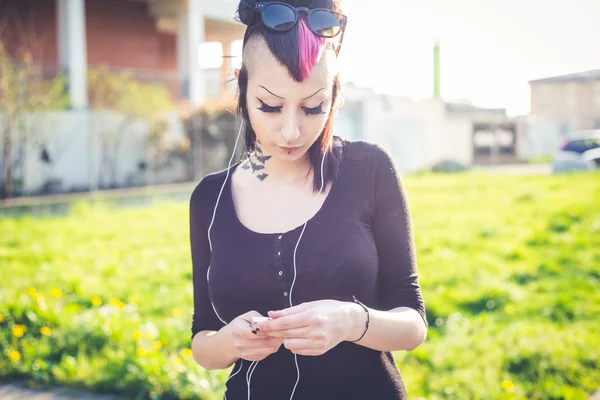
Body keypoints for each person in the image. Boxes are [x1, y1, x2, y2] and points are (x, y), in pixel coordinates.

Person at [188, 1, 428, 399]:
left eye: (312, 107)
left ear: (336, 94)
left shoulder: (369, 169)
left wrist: (352, 321)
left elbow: (413, 323)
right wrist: (232, 342)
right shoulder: (209, 199)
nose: (290, 131)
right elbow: (203, 342)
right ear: (241, 85)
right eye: (270, 106)